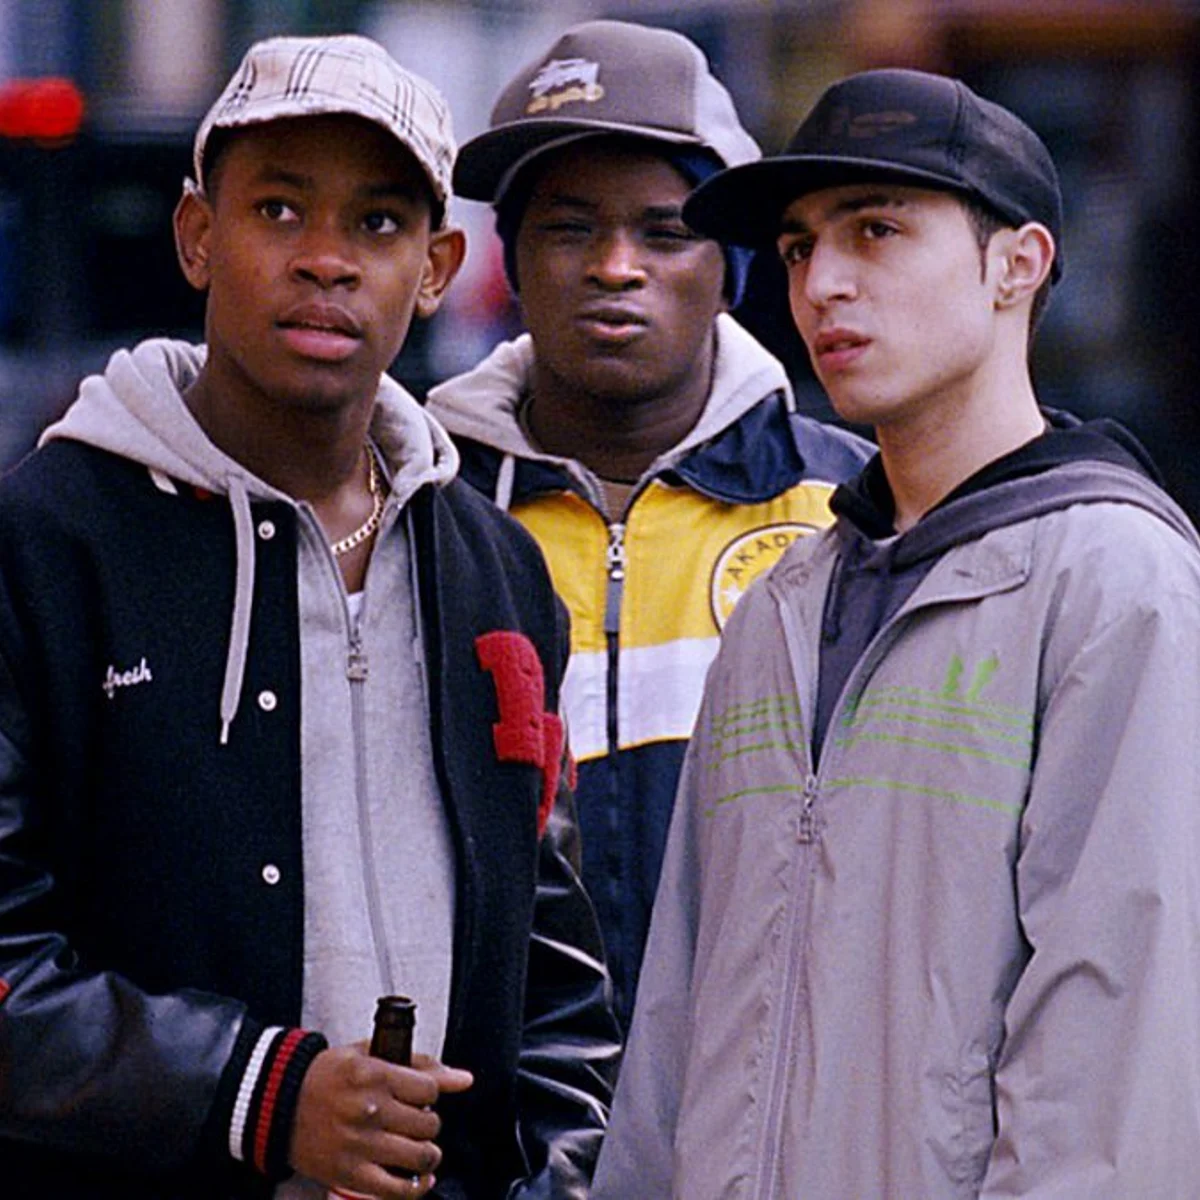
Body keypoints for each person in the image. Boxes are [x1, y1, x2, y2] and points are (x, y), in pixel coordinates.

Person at [0, 33, 620, 1200]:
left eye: (378, 224)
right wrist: (261, 1097)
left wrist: (556, 1180)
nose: (327, 260)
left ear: (436, 268)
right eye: (278, 210)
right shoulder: (46, 542)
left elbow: (555, 978)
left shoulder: (496, 571)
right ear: (198, 235)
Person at [592, 67, 1200, 1198]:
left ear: (1018, 264)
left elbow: (1112, 1075)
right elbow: (675, 1031)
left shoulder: (1117, 587)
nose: (823, 283)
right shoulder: (781, 606)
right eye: (799, 248)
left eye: (876, 230)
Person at [425, 20, 871, 1031]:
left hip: (769, 1093)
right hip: (499, 1107)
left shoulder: (853, 511)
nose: (616, 266)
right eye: (568, 228)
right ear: (511, 260)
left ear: (732, 269)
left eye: (665, 233)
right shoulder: (419, 512)